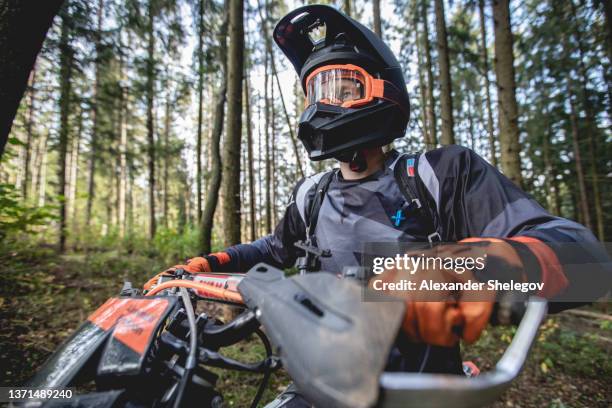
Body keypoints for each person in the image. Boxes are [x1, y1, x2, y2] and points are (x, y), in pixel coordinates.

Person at [147, 4, 609, 405]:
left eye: (341, 87)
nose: (323, 102)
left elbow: (585, 260)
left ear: (381, 90)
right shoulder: (312, 196)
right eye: (315, 91)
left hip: (420, 392)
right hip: (318, 384)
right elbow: (274, 248)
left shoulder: (439, 175)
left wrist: (467, 267)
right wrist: (209, 262)